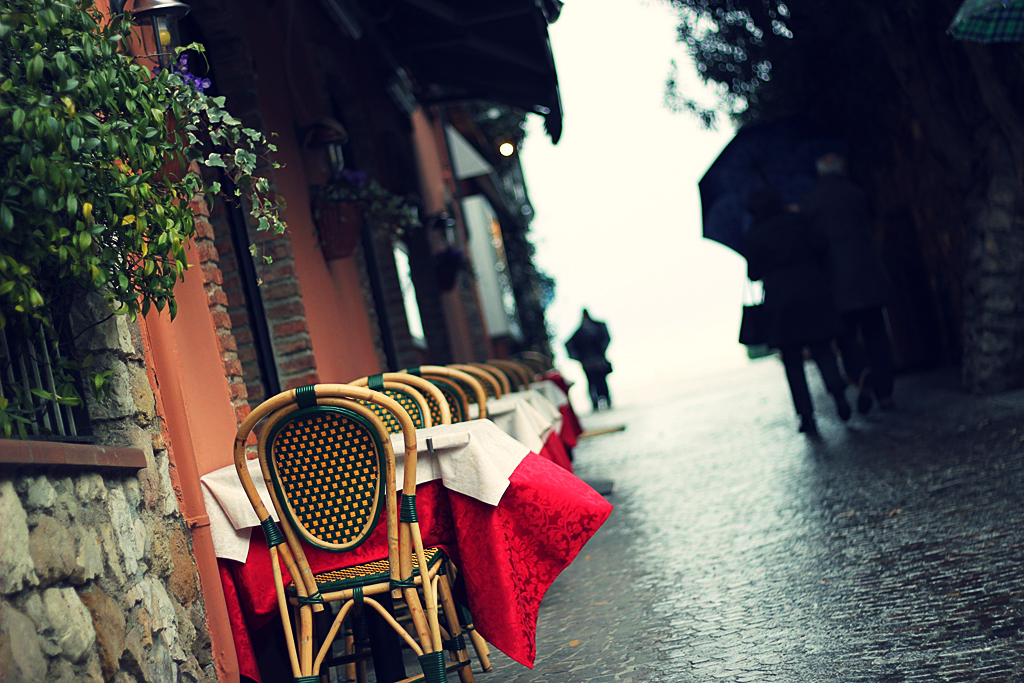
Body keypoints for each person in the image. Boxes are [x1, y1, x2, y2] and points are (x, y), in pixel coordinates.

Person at [744, 188, 850, 435]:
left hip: (781, 302)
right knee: (822, 349)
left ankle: (806, 417)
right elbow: (821, 244)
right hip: (811, 290)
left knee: (792, 362)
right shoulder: (797, 220)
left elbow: (754, 273)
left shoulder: (754, 234)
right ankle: (838, 393)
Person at [799, 154, 895, 413]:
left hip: (836, 280)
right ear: (841, 171)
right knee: (876, 332)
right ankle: (885, 392)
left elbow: (813, 245)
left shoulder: (809, 204)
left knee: (847, 336)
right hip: (868, 274)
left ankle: (862, 371)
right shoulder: (857, 194)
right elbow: (876, 223)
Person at [565, 309, 612, 411]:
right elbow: (568, 345)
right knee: (593, 382)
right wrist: (579, 358)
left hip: (596, 360)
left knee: (600, 382)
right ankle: (596, 401)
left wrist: (601, 354)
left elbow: (606, 339)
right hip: (588, 362)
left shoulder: (595, 327)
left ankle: (605, 399)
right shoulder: (580, 332)